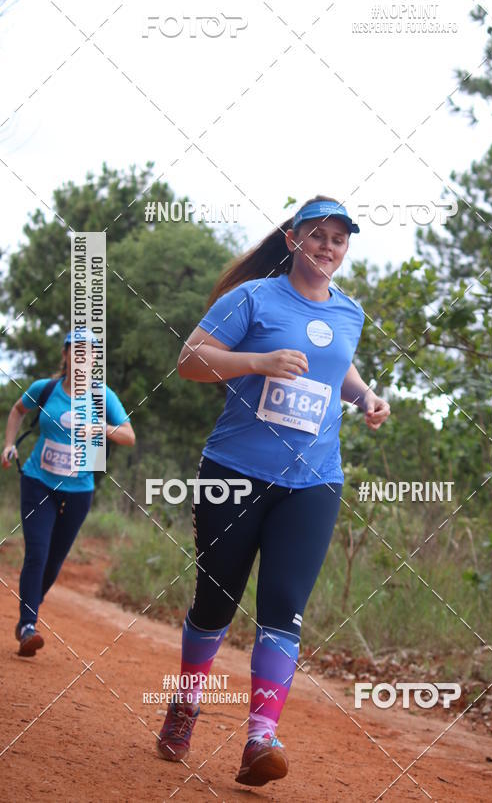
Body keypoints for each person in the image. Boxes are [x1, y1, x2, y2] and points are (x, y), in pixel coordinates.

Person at [156, 196, 390, 786]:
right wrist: (257, 361)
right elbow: (189, 360)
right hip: (235, 471)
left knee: (284, 609)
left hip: (314, 480)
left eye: (339, 239)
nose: (328, 247)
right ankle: (185, 705)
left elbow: (339, 368)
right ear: (292, 240)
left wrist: (365, 398)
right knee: (216, 602)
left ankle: (261, 739)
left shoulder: (350, 313)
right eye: (318, 236)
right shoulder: (252, 298)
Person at [1, 330, 135, 656]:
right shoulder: (44, 389)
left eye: (88, 353)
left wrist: (101, 428)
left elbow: (129, 436)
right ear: (65, 356)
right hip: (38, 481)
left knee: (54, 561)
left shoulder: (103, 397)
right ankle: (28, 625)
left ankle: (28, 612)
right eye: (76, 352)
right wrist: (8, 445)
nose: (81, 358)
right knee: (37, 552)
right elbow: (18, 411)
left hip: (78, 489)